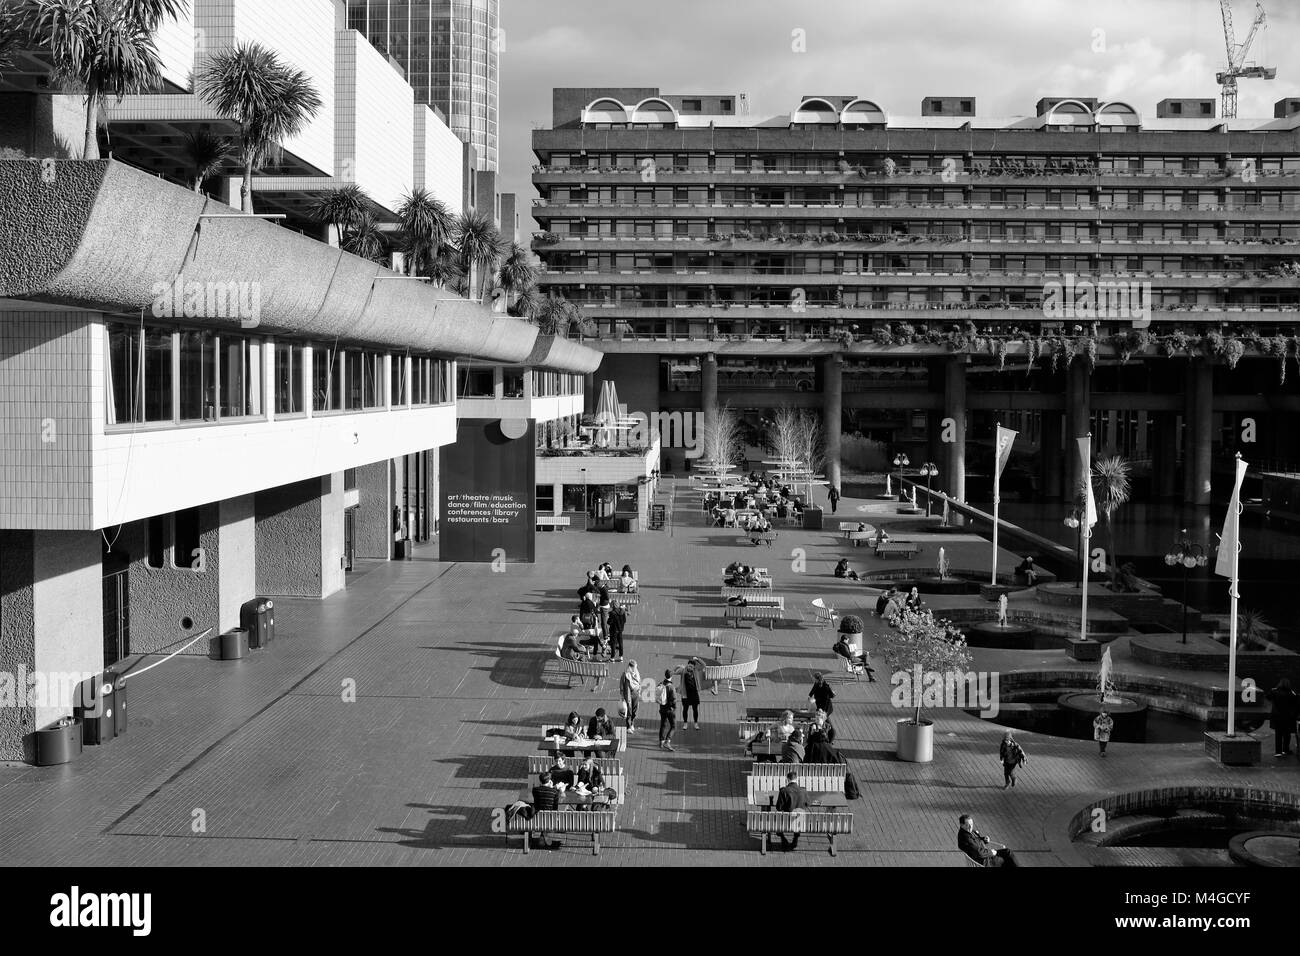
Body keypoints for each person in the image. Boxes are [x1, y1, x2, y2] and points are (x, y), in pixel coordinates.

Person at [775, 771, 808, 851]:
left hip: (787, 820)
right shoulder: (803, 790)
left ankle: (783, 837)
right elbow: (807, 804)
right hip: (799, 821)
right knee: (799, 815)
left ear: (787, 779)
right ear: (797, 779)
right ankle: (796, 838)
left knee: (777, 818)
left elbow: (778, 808)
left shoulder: (784, 791)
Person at [1265, 678, 1298, 757]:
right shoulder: (1291, 693)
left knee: (1278, 734)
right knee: (1287, 734)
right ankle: (1285, 750)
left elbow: (1267, 697)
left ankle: (1278, 752)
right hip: (1288, 717)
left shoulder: (1274, 692)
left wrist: (1271, 690)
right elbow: (1296, 701)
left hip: (1277, 716)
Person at [679, 657, 704, 730]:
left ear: (694, 667)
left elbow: (703, 665)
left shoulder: (696, 670)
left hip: (694, 693)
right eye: (689, 666)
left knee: (695, 709)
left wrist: (698, 659)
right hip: (685, 694)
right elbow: (676, 670)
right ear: (688, 665)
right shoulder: (683, 670)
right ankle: (685, 724)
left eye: (692, 667)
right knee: (685, 709)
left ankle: (696, 724)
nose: (690, 667)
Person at [658, 669, 678, 751]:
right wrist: (674, 707)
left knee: (663, 724)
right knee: (674, 726)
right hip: (669, 710)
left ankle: (661, 742)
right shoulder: (671, 687)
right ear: (671, 676)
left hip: (662, 708)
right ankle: (667, 741)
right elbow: (673, 700)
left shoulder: (660, 684)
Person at [620, 660, 641, 734]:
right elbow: (622, 686)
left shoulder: (637, 673)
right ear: (631, 667)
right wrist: (622, 696)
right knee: (629, 709)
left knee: (634, 710)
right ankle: (628, 726)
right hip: (628, 694)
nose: (635, 668)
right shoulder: (625, 675)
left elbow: (639, 683)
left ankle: (632, 723)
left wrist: (639, 692)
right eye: (634, 667)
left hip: (636, 693)